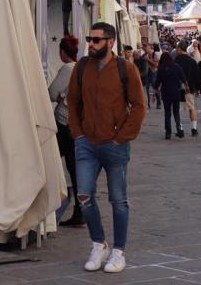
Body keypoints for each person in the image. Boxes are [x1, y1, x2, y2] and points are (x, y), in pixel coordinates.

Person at [67, 22, 146, 274]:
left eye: (96, 40)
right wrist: (78, 134)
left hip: (115, 145)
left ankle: (119, 252)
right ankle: (98, 243)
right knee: (84, 196)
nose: (90, 43)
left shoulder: (126, 68)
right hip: (87, 144)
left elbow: (139, 106)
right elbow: (73, 102)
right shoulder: (81, 68)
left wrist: (121, 137)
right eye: (89, 38)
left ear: (110, 42)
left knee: (118, 200)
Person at [48, 35, 86, 227]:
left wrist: (61, 95)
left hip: (64, 123)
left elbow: (52, 92)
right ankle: (80, 211)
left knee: (49, 161)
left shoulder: (68, 68)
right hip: (77, 125)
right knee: (74, 169)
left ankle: (53, 205)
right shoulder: (81, 67)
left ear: (62, 51)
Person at [155, 52, 187, 140]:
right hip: (176, 92)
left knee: (167, 113)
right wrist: (186, 87)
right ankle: (179, 129)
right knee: (176, 112)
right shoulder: (177, 67)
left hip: (166, 93)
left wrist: (155, 92)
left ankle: (168, 133)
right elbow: (183, 78)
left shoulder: (161, 68)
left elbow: (157, 82)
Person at [174, 40, 201, 136]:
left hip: (178, 89)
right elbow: (197, 76)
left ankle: (180, 128)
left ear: (180, 49)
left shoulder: (175, 61)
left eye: (177, 48)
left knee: (178, 110)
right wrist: (198, 89)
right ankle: (194, 129)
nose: (176, 50)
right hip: (189, 88)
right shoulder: (192, 61)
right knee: (192, 108)